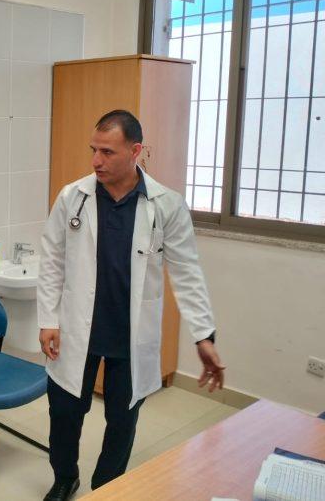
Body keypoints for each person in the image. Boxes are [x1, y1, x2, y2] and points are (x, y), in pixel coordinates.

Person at [37, 110, 225, 500]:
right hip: (77, 328)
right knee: (65, 413)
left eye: (107, 152)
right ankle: (65, 478)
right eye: (93, 150)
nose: (96, 160)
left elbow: (187, 272)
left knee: (122, 420)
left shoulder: (166, 204)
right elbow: (52, 260)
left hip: (130, 333)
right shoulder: (73, 197)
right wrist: (48, 319)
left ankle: (107, 488)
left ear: (135, 151)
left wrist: (203, 335)